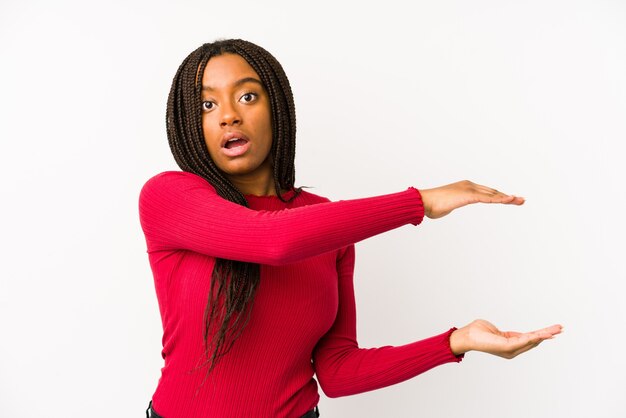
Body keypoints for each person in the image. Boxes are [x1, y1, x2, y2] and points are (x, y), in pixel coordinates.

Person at [139, 39, 562, 418]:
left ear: (278, 108)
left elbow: (337, 372)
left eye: (247, 96)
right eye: (207, 105)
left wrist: (456, 341)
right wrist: (420, 202)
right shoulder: (169, 197)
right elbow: (273, 239)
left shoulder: (325, 225)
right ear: (190, 123)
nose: (229, 115)